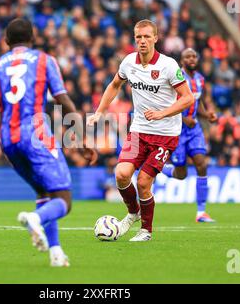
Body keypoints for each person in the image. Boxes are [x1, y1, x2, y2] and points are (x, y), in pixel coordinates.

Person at [0, 18, 97, 267]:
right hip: (35, 134)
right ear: (33, 38)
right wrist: (81, 137)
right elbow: (64, 101)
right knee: (64, 199)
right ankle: (35, 218)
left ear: (6, 41)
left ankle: (56, 253)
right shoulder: (43, 60)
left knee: (44, 192)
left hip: (8, 140)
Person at [88, 19, 194, 241]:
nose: (142, 41)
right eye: (138, 37)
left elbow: (187, 98)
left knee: (144, 182)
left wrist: (162, 113)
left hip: (165, 135)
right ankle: (133, 213)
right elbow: (115, 85)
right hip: (139, 130)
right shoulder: (128, 63)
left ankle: (146, 230)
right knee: (121, 175)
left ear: (156, 38)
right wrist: (99, 111)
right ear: (134, 39)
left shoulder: (168, 66)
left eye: (147, 36)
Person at [162, 48, 218, 223]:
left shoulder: (200, 79)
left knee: (202, 164)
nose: (192, 59)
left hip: (194, 130)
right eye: (188, 56)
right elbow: (168, 102)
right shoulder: (176, 78)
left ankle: (201, 212)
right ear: (182, 60)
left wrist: (206, 114)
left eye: (194, 56)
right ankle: (160, 168)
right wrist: (184, 118)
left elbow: (197, 101)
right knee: (182, 174)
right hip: (177, 128)